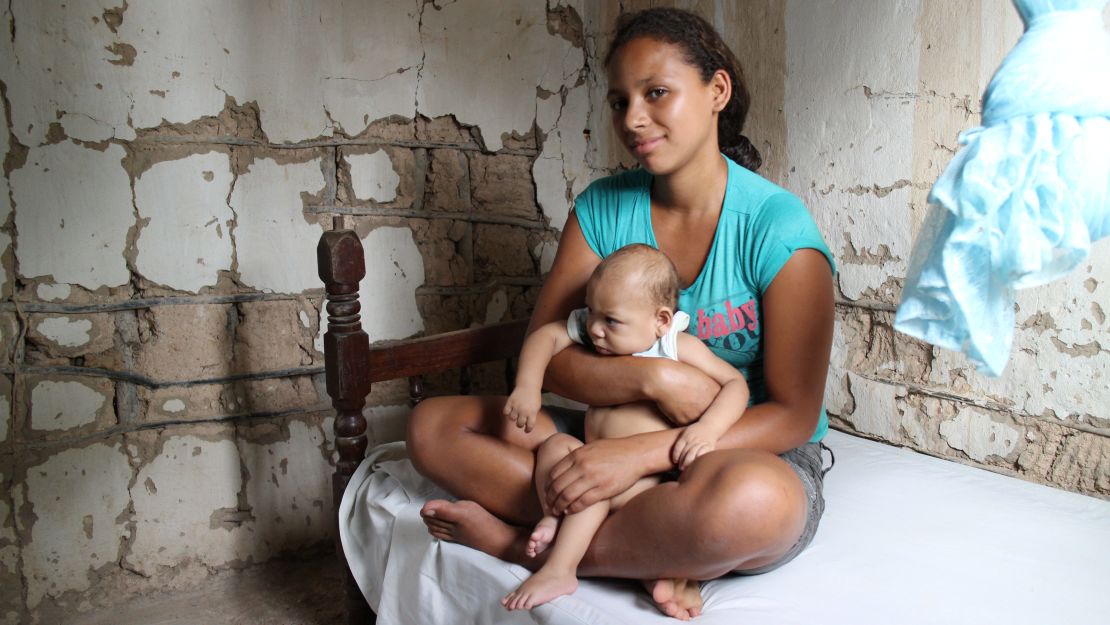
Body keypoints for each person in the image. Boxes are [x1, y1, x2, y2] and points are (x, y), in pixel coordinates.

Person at [410, 6, 835, 620]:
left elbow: (795, 415)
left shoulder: (779, 231)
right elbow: (549, 360)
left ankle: (520, 545)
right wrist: (654, 378)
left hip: (736, 448)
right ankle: (661, 547)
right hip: (608, 427)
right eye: (619, 101)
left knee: (756, 504)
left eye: (656, 93)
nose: (633, 119)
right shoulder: (602, 209)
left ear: (717, 91)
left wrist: (641, 457)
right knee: (432, 426)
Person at [500, 243, 750, 610]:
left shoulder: (673, 345)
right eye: (591, 313)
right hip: (590, 459)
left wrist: (708, 429)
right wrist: (527, 386)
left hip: (639, 482)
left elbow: (735, 385)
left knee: (593, 484)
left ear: (660, 320)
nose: (595, 329)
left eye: (611, 321)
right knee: (554, 447)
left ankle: (560, 568)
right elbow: (545, 336)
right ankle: (555, 517)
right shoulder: (595, 327)